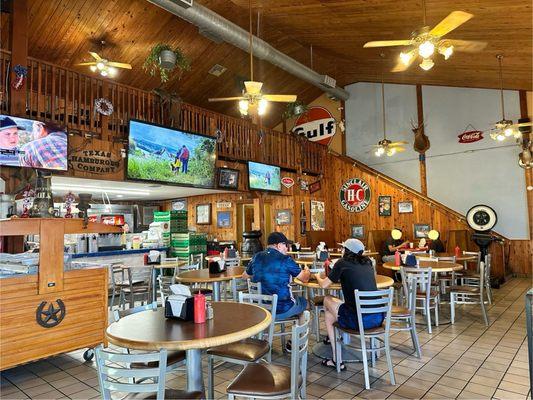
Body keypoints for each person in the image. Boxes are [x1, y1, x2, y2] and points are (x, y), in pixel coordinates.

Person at [315, 238, 384, 370]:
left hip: (359, 321)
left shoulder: (342, 263)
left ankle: (336, 354)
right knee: (330, 315)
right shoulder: (368, 262)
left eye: (343, 248)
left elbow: (324, 285)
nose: (341, 250)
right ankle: (335, 354)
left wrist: (318, 276)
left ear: (346, 251)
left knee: (327, 299)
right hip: (378, 318)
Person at [243, 232, 310, 324]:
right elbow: (305, 279)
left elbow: (245, 275)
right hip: (282, 309)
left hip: (260, 309)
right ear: (278, 245)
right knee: (304, 303)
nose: (287, 248)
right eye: (285, 245)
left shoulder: (256, 257)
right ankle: (299, 336)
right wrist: (307, 271)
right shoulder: (286, 259)